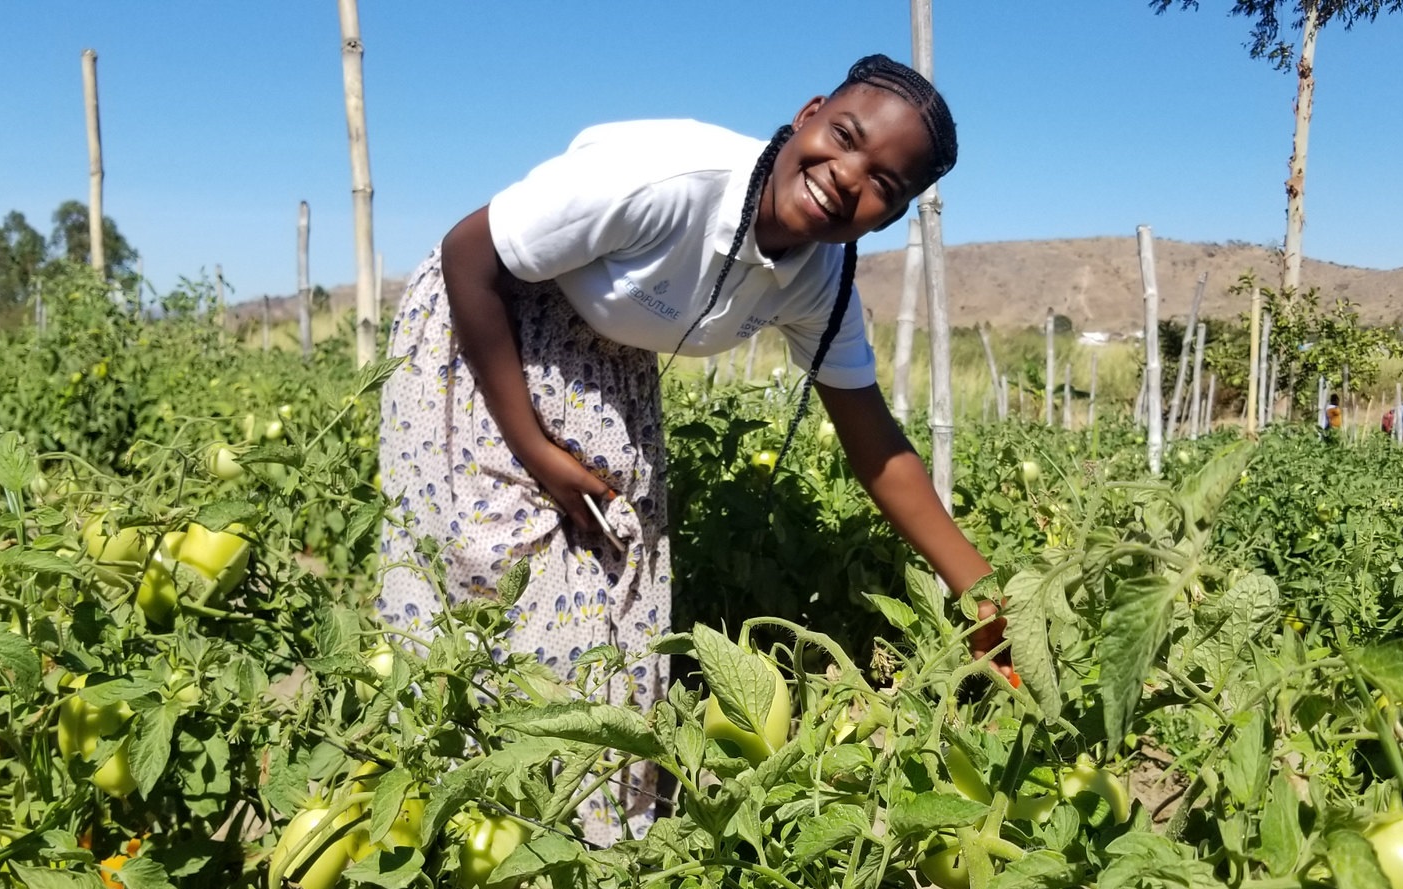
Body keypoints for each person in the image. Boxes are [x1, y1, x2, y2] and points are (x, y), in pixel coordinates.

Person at [375, 56, 1000, 843]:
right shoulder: (673, 180)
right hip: (484, 329)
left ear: (890, 216)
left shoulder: (820, 281)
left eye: (885, 184)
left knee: (616, 587)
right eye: (844, 136)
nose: (848, 176)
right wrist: (533, 447)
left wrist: (982, 592)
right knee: (484, 564)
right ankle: (437, 806)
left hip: (606, 361)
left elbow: (873, 440)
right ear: (809, 112)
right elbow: (470, 254)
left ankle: (587, 834)